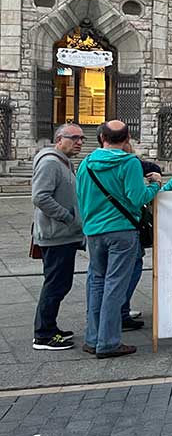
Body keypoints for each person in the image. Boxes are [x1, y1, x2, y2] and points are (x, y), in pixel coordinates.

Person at [76, 120, 162, 358]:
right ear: (127, 139)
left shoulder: (86, 163)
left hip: (94, 230)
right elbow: (136, 198)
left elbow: (80, 196)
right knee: (115, 285)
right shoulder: (129, 162)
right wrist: (154, 186)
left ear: (101, 137)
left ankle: (92, 339)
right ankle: (109, 342)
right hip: (122, 231)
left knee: (96, 282)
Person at [31, 123, 86, 351]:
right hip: (56, 236)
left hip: (64, 235)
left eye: (82, 138)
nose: (80, 142)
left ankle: (49, 328)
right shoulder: (51, 163)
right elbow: (40, 197)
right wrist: (68, 217)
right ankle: (43, 334)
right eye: (74, 138)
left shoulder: (64, 162)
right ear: (59, 139)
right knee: (56, 284)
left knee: (59, 283)